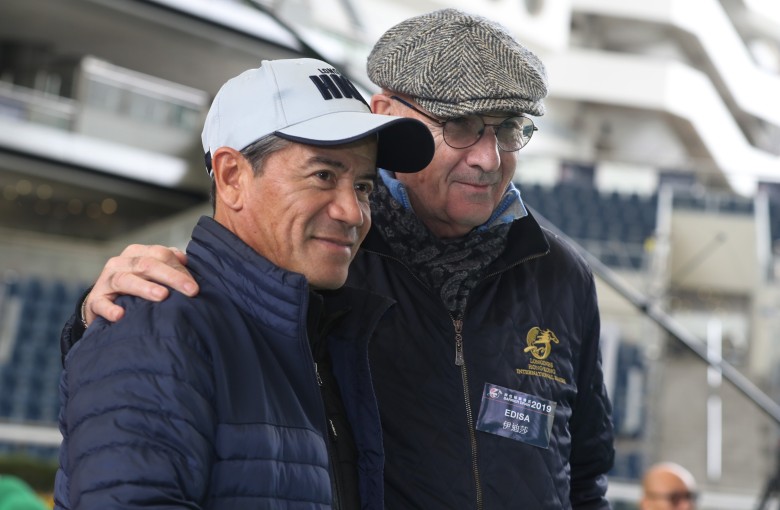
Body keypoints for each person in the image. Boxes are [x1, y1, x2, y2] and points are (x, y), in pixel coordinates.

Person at [63, 8, 615, 509]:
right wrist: (102, 318)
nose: (488, 158)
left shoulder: (560, 274)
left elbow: (584, 475)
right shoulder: (319, 260)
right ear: (386, 112)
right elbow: (164, 374)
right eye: (462, 126)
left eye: (510, 128)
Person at [54, 57, 434, 509]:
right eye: (323, 176)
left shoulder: (323, 336)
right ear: (232, 177)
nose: (352, 212)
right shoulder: (158, 327)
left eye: (364, 187)